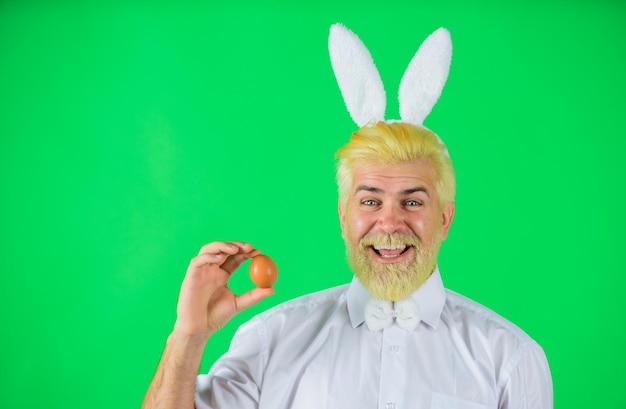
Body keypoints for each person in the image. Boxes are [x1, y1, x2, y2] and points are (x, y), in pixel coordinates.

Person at [142, 25, 553, 409]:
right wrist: (188, 338)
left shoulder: (510, 359)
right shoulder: (270, 340)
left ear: (445, 220)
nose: (389, 224)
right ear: (343, 217)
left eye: (412, 202)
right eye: (370, 202)